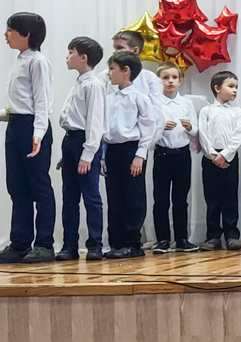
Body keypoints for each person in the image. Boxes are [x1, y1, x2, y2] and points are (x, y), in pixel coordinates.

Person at [0, 12, 56, 264]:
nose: (5, 35)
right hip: (16, 126)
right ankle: (20, 244)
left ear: (25, 34)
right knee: (17, 187)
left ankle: (45, 244)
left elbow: (42, 103)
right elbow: (18, 104)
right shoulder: (20, 61)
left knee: (39, 187)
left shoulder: (38, 62)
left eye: (10, 30)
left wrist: (38, 134)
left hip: (32, 128)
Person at [57, 36, 107, 261]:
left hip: (84, 142)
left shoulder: (93, 85)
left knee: (91, 196)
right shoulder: (79, 82)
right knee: (69, 197)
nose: (67, 57)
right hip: (71, 140)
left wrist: (88, 154)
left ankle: (95, 244)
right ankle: (69, 245)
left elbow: (95, 123)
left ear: (83, 57)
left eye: (71, 52)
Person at [102, 52, 156, 259]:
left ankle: (132, 243)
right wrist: (103, 156)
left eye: (112, 69)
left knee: (133, 196)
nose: (109, 73)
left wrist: (140, 155)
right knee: (114, 197)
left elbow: (148, 127)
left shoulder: (139, 98)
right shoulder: (109, 99)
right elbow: (105, 129)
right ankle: (115, 242)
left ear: (126, 71)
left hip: (132, 150)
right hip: (113, 150)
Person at [152, 61, 199, 254]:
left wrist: (190, 127)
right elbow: (149, 128)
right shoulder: (154, 102)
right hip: (162, 153)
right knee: (161, 199)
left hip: (182, 155)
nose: (170, 81)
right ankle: (162, 239)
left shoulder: (186, 103)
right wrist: (161, 127)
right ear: (159, 81)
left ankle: (182, 239)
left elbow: (196, 130)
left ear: (180, 81)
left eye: (174, 77)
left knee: (181, 199)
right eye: (165, 78)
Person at [198, 70, 241, 250]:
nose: (235, 90)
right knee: (212, 199)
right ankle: (213, 236)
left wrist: (225, 154)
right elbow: (203, 135)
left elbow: (238, 135)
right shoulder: (206, 111)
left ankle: (232, 235)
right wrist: (212, 154)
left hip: (229, 158)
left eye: (236, 87)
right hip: (210, 158)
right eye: (231, 86)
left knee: (230, 197)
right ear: (217, 88)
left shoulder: (237, 112)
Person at [111, 29, 164, 105]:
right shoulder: (106, 76)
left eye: (120, 48)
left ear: (135, 51)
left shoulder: (149, 78)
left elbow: (156, 107)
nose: (114, 52)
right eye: (114, 48)